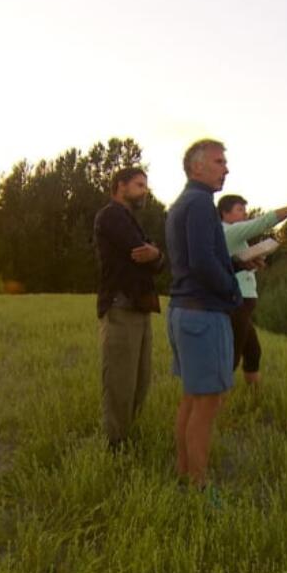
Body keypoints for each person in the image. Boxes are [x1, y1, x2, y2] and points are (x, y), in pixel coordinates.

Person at [164, 139, 240, 490]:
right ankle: (199, 487)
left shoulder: (183, 203)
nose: (225, 168)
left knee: (193, 399)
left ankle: (184, 474)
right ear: (197, 167)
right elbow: (202, 262)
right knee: (207, 405)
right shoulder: (200, 204)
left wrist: (235, 264)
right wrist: (231, 290)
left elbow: (201, 257)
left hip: (183, 311)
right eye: (219, 161)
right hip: (202, 316)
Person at [93, 167, 164, 451]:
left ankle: (128, 436)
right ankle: (116, 444)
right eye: (139, 185)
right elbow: (139, 253)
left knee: (140, 380)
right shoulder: (111, 215)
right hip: (120, 306)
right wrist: (154, 254)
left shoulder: (129, 219)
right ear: (120, 186)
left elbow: (156, 261)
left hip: (139, 307)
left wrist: (156, 254)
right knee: (120, 382)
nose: (144, 190)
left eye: (145, 185)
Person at [218, 194, 287, 385]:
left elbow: (236, 264)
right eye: (240, 210)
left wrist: (254, 260)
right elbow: (265, 222)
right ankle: (214, 402)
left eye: (245, 210)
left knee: (253, 352)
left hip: (243, 304)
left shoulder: (233, 235)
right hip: (237, 303)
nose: (245, 214)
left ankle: (253, 399)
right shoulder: (230, 232)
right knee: (231, 359)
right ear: (225, 213)